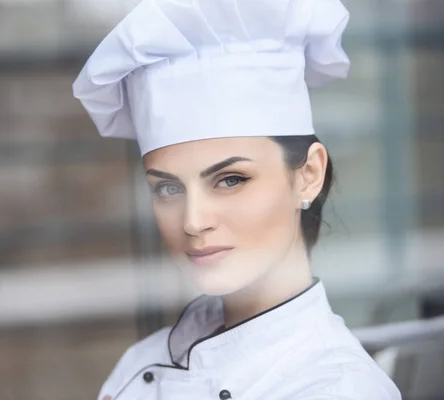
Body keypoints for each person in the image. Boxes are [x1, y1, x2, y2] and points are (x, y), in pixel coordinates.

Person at [73, 0, 402, 399]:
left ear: (308, 176)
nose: (193, 221)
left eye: (231, 179)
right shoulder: (139, 363)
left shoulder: (339, 388)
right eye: (169, 188)